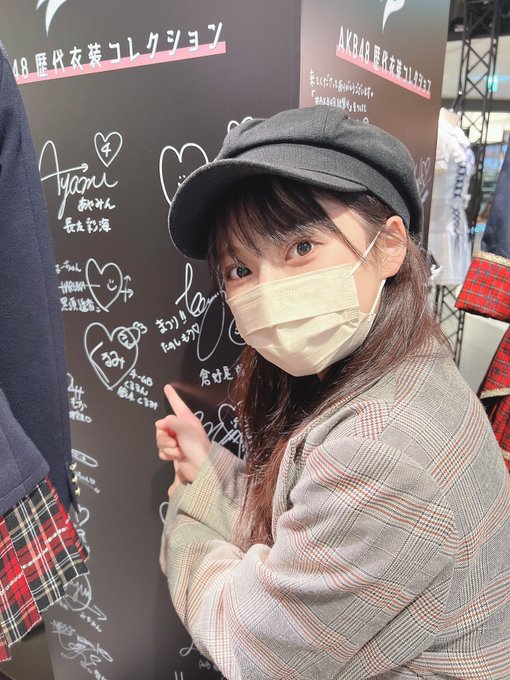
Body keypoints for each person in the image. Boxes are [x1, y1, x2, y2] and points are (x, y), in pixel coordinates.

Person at [157, 106, 510, 679]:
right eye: (240, 270)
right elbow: (310, 527)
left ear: (389, 245)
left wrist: (183, 521)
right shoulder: (406, 364)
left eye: (301, 247)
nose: (269, 291)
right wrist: (210, 471)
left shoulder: (382, 449)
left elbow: (251, 647)